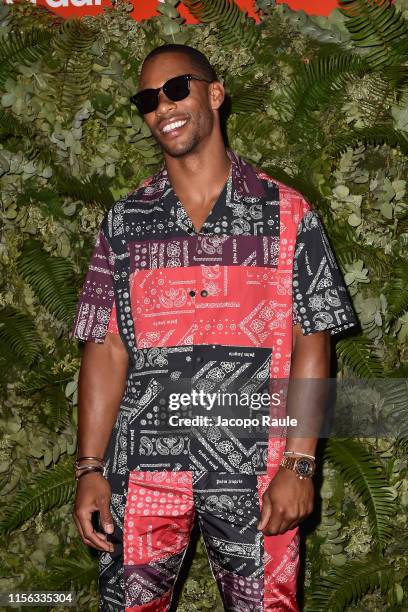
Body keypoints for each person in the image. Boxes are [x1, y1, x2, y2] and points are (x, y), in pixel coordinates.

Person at [71, 44, 358, 611]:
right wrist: (90, 468)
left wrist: (300, 465)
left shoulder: (286, 212)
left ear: (215, 94)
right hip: (143, 474)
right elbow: (105, 349)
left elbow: (313, 340)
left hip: (258, 472)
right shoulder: (126, 222)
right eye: (147, 99)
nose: (163, 107)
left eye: (177, 88)